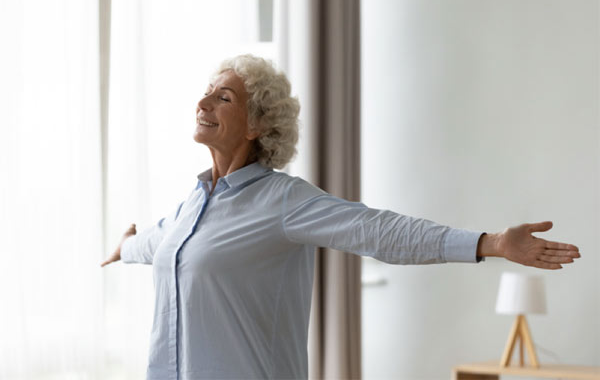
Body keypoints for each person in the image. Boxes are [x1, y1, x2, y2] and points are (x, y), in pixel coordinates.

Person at [100, 54, 580, 380]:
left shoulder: (281, 202)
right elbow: (159, 243)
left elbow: (376, 231)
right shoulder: (191, 206)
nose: (203, 102)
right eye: (206, 93)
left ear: (257, 125)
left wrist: (491, 242)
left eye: (223, 97)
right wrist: (127, 246)